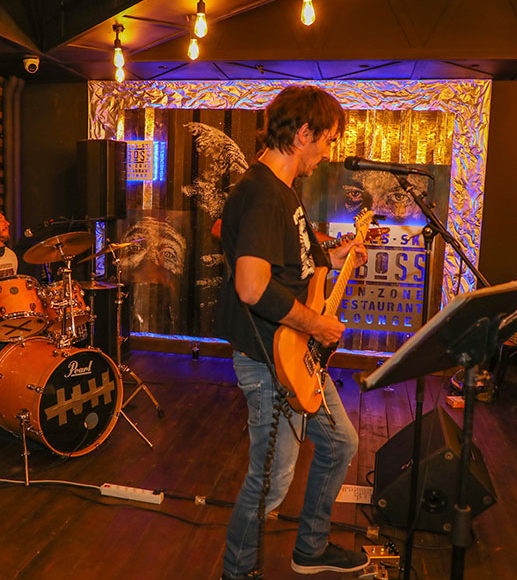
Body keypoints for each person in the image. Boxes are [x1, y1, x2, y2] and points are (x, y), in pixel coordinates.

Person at [215, 85, 369, 579]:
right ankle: (237, 572)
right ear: (304, 133)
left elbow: (292, 266)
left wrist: (337, 257)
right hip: (269, 360)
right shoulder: (264, 194)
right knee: (271, 484)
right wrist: (317, 323)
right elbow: (252, 286)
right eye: (327, 139)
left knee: (340, 444)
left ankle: (311, 548)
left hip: (294, 353)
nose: (328, 152)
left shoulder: (283, 190)